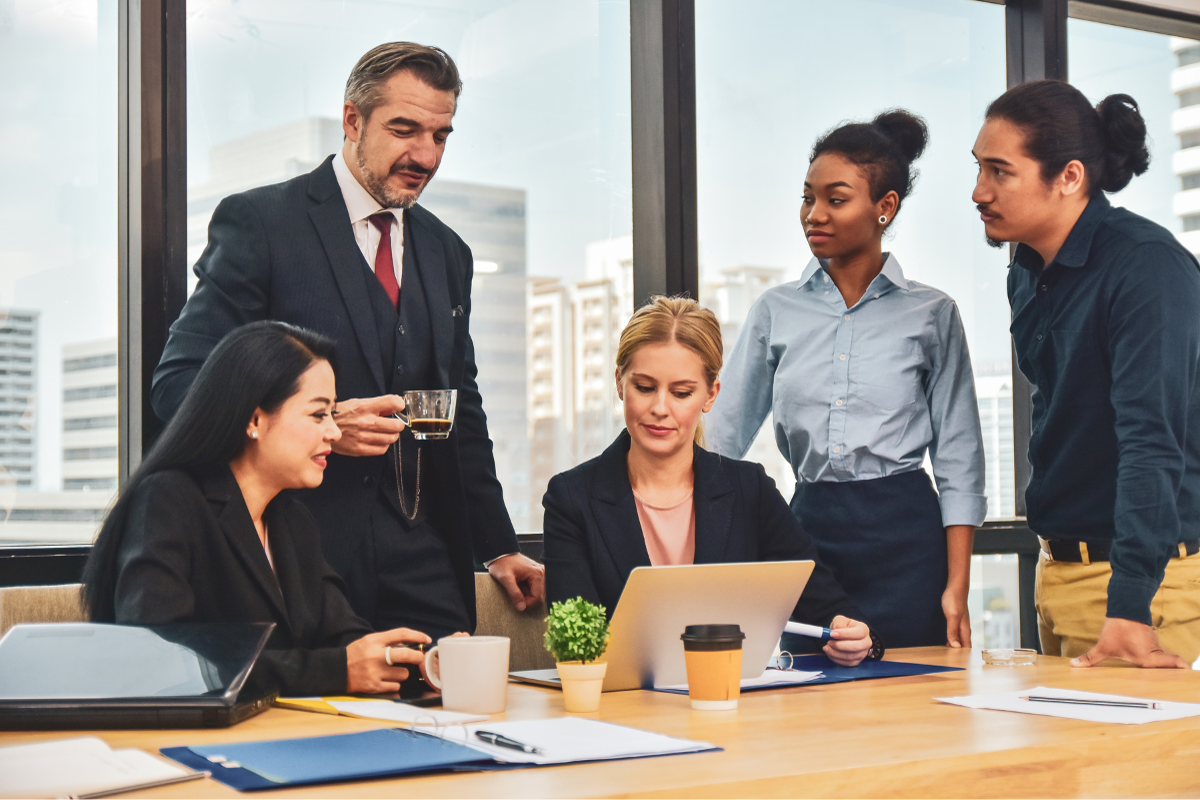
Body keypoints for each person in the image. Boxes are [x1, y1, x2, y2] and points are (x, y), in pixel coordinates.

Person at [150, 42, 543, 642]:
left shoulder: (448, 253)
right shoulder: (262, 224)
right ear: (353, 121)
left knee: (456, 720)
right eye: (405, 129)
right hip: (297, 555)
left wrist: (497, 546)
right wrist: (325, 421)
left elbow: (462, 409)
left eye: (441, 135)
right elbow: (179, 386)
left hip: (426, 558)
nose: (425, 155)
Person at [707, 111, 987, 650]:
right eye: (807, 198)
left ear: (885, 207)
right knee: (809, 703)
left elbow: (959, 458)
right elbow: (722, 436)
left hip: (908, 539)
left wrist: (957, 585)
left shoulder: (932, 313)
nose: (814, 214)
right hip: (808, 534)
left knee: (913, 704)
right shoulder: (776, 310)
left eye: (835, 199)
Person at [973, 80, 1200, 669]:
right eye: (979, 169)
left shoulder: (1146, 267)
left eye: (1000, 172)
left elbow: (1152, 443)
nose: (979, 191)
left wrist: (1128, 606)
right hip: (1059, 577)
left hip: (1144, 591)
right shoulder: (1024, 271)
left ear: (1069, 176)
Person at [82, 322, 433, 696]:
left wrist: (417, 661)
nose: (333, 432)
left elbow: (343, 636)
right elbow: (161, 656)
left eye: (332, 414)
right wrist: (333, 671)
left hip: (280, 736)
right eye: (319, 415)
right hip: (183, 743)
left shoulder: (292, 520)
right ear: (254, 419)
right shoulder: (168, 500)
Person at [543, 296, 880, 667]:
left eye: (681, 393)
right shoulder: (570, 498)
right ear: (619, 384)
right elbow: (575, 644)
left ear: (710, 395)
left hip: (730, 706)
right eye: (644, 387)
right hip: (621, 710)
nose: (660, 407)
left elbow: (826, 605)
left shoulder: (749, 490)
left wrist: (851, 634)